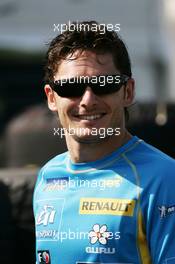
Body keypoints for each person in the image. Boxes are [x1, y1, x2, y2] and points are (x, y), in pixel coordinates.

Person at [33, 21, 175, 264]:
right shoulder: (48, 175)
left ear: (128, 91)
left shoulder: (165, 178)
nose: (88, 100)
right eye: (71, 87)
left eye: (104, 84)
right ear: (51, 97)